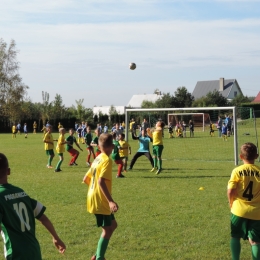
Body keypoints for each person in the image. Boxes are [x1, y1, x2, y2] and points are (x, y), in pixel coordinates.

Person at [0, 153, 66, 259]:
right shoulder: (21, 192)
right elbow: (43, 217)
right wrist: (55, 237)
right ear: (8, 171)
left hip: (15, 252)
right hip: (33, 250)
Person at [82, 133, 119, 260]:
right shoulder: (107, 160)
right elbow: (101, 181)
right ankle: (100, 258)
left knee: (112, 225)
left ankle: (97, 255)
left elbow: (86, 179)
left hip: (94, 196)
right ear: (111, 147)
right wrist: (110, 201)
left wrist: (94, 192)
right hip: (100, 199)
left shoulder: (97, 158)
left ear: (99, 146)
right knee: (107, 230)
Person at [227, 142, 260, 260]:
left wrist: (231, 203)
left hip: (238, 210)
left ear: (241, 156)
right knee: (255, 241)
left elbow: (230, 190)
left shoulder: (237, 171)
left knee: (235, 236)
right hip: (257, 212)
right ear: (256, 156)